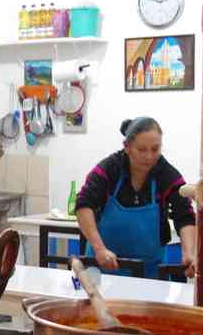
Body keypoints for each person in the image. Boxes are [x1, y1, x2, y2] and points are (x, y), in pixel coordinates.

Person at [75, 117, 196, 279]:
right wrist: (99, 249)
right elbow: (83, 205)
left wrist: (189, 254)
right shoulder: (110, 169)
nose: (149, 157)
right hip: (103, 268)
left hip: (149, 272)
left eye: (155, 149)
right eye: (142, 150)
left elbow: (185, 214)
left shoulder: (166, 174)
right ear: (127, 147)